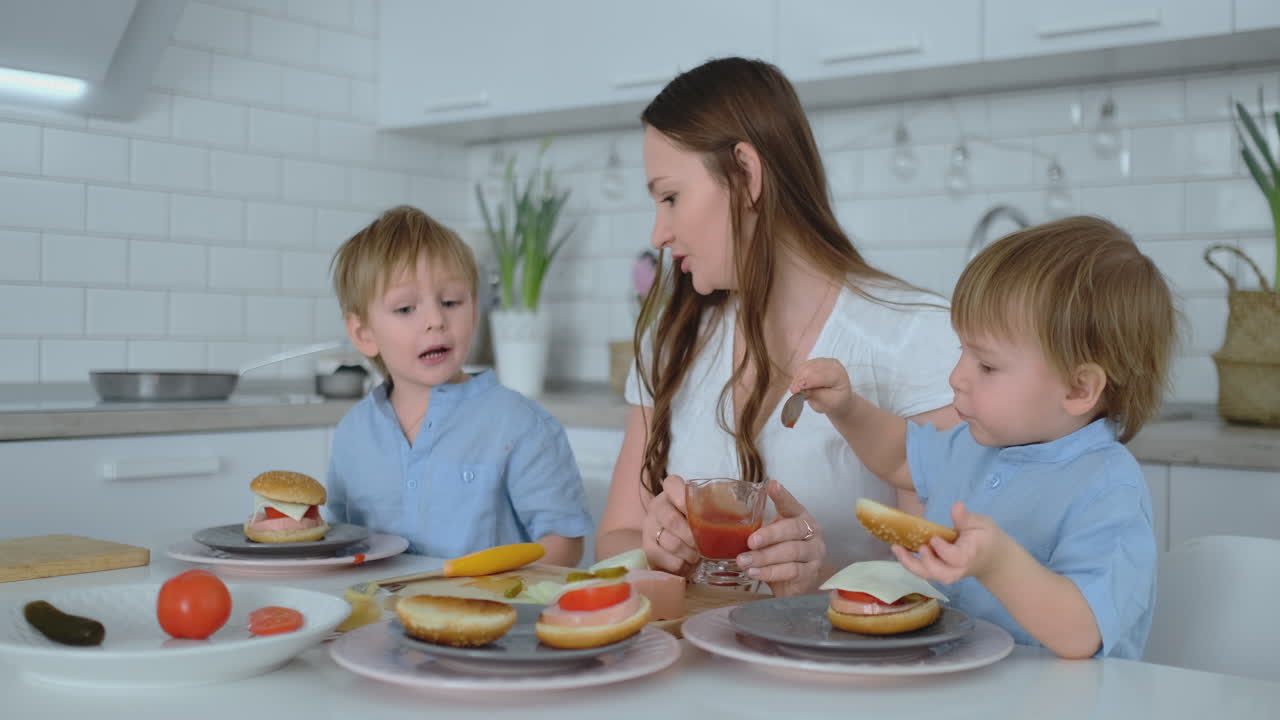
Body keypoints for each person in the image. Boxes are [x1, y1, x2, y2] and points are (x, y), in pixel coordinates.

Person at [594, 57, 962, 595]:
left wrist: (821, 579)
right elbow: (613, 539)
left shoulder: (919, 337)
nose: (659, 232)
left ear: (746, 174)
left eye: (670, 197)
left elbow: (950, 590)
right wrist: (656, 548)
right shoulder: (672, 339)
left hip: (844, 675)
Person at [795, 216, 1176, 659]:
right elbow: (899, 458)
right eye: (963, 352)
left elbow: (1081, 631)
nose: (957, 378)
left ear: (1078, 389)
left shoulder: (1107, 486)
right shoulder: (976, 445)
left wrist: (998, 564)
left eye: (987, 366)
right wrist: (847, 409)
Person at [325, 205, 592, 564]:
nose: (436, 320)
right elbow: (343, 543)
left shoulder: (519, 423)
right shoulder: (352, 435)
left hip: (494, 616)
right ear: (364, 333)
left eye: (451, 302)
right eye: (406, 309)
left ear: (474, 307)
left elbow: (564, 542)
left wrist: (505, 591)